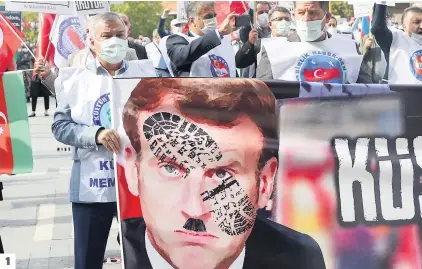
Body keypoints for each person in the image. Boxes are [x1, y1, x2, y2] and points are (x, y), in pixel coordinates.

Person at [119, 78, 326, 269]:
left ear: (265, 183)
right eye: (171, 169)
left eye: (222, 175)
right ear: (132, 171)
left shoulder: (298, 257)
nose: (195, 210)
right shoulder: (120, 245)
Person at [51, 12, 155, 269]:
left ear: (127, 36)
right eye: (106, 36)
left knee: (143, 260)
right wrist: (96, 134)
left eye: (119, 35)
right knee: (88, 260)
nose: (114, 41)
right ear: (91, 41)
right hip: (92, 187)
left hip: (138, 189)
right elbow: (60, 126)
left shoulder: (148, 76)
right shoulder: (74, 80)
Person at [257, 1, 371, 84]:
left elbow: (367, 91)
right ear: (294, 15)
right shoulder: (273, 50)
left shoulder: (348, 47)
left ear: (327, 17)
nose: (306, 19)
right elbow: (263, 97)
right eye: (301, 13)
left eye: (313, 13)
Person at [161, 1, 237, 77]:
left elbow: (232, 67)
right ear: (192, 21)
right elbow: (182, 56)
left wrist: (249, 43)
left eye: (214, 15)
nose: (213, 20)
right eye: (208, 17)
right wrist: (218, 33)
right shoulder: (176, 40)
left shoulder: (221, 40)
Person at [235, 6, 297, 78]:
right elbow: (240, 63)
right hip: (266, 87)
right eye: (279, 19)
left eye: (287, 19)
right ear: (270, 24)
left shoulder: (297, 43)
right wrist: (249, 43)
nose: (283, 22)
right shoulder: (261, 43)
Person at [371, 2, 422, 84]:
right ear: (404, 26)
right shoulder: (395, 39)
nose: (421, 26)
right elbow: (377, 28)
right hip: (399, 95)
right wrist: (382, 2)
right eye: (416, 22)